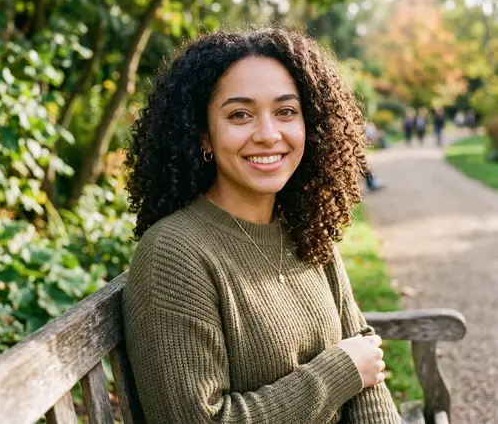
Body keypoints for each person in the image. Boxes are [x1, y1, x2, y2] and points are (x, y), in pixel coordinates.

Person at [122, 28, 400, 423]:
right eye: (240, 115)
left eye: (286, 111)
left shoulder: (304, 231)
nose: (269, 135)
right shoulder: (174, 254)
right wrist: (337, 372)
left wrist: (354, 369)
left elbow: (367, 374)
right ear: (203, 135)